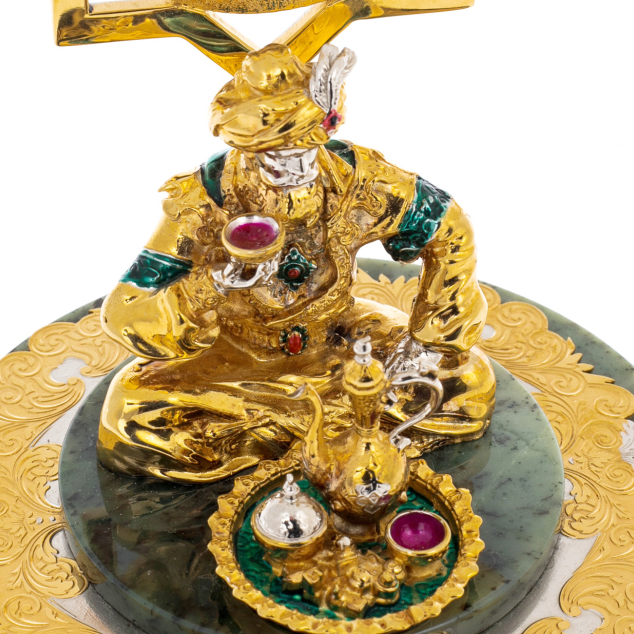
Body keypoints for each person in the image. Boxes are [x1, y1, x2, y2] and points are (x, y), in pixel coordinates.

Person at [97, 43, 496, 483]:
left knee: (466, 380)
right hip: (239, 355)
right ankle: (347, 429)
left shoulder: (358, 179)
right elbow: (127, 308)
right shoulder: (204, 199)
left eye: (306, 151)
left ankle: (302, 430)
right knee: (129, 415)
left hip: (339, 337)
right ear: (248, 147)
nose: (296, 169)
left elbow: (451, 230)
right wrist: (214, 284)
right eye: (276, 157)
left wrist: (427, 341)